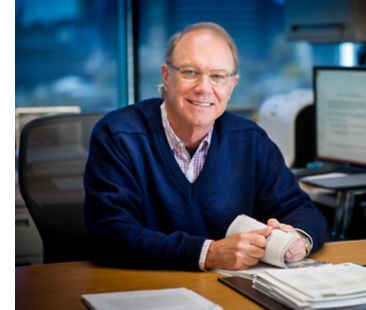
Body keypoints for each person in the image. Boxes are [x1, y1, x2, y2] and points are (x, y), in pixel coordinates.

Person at [84, 22, 328, 271]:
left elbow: (301, 210)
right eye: (190, 72)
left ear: (232, 86)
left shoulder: (250, 140)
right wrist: (208, 253)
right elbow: (109, 233)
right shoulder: (118, 135)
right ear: (166, 76)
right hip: (142, 293)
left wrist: (299, 238)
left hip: (228, 293)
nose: (203, 88)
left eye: (218, 76)